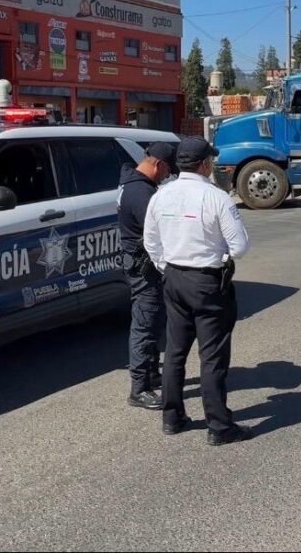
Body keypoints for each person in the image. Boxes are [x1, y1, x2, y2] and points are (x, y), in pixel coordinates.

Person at [143, 137, 252, 445]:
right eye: (211, 162)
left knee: (175, 353)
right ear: (205, 165)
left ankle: (172, 417)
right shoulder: (216, 197)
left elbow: (151, 242)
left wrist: (168, 267)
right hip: (207, 282)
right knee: (212, 357)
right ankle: (218, 426)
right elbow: (240, 247)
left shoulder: (161, 195)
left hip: (174, 278)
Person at [118, 142, 178, 410]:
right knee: (144, 324)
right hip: (144, 266)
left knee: (153, 321)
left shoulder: (133, 183)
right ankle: (139, 388)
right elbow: (157, 230)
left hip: (141, 263)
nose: (167, 176)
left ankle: (152, 374)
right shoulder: (141, 193)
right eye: (167, 171)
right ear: (157, 165)